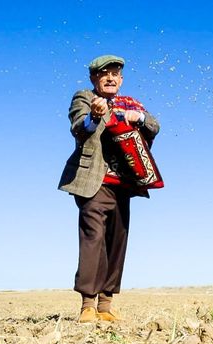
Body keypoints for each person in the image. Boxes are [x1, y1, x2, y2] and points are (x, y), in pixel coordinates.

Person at [58, 54, 160, 323]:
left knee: (117, 240)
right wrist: (94, 116)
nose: (111, 78)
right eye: (105, 74)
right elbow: (79, 127)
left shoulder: (130, 103)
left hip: (124, 184)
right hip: (94, 181)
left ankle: (105, 305)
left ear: (122, 79)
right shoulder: (85, 98)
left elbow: (154, 125)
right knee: (93, 237)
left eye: (115, 73)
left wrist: (138, 117)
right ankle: (87, 305)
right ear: (94, 78)